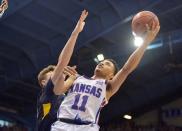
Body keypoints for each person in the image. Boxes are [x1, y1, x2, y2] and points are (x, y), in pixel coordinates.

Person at [50, 9, 160, 131]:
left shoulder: (108, 87)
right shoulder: (76, 78)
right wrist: (75, 33)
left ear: (112, 76)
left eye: (107, 64)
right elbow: (57, 89)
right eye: (101, 62)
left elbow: (126, 69)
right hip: (61, 125)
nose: (102, 64)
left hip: (86, 127)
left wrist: (146, 42)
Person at [37, 65, 77, 131]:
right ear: (44, 83)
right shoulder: (47, 93)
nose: (58, 79)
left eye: (58, 77)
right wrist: (73, 76)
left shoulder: (63, 96)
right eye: (53, 78)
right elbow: (66, 85)